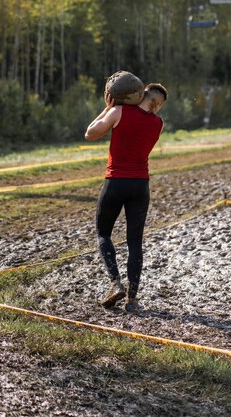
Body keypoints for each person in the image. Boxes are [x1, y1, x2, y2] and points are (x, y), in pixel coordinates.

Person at [85, 82, 168, 312]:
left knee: (103, 233)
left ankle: (115, 283)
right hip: (140, 185)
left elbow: (90, 133)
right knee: (135, 242)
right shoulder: (158, 124)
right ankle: (132, 299)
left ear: (141, 94)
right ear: (158, 104)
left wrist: (107, 108)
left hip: (115, 182)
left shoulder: (118, 111)